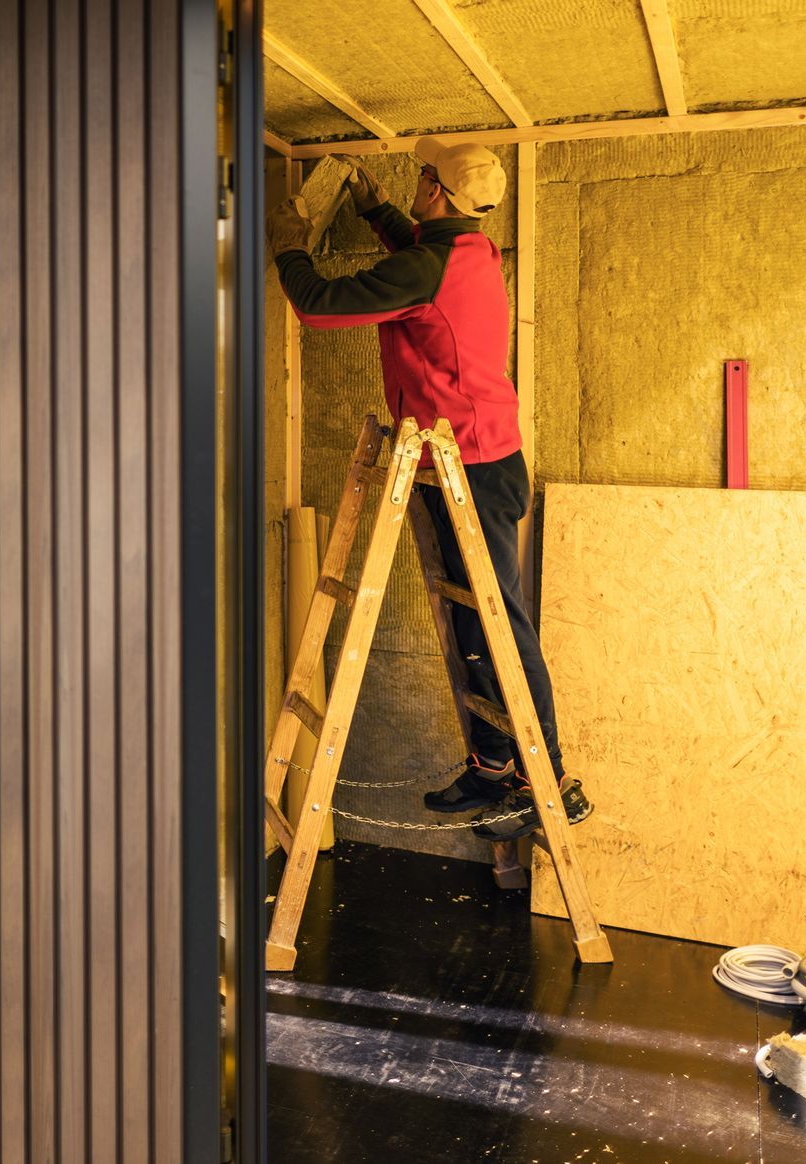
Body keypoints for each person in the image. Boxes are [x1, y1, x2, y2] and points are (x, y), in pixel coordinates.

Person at [266, 136, 592, 843]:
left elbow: (320, 306)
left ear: (436, 192)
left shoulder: (426, 266)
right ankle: (497, 764)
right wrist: (376, 208)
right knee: (479, 623)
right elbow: (420, 250)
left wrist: (288, 246)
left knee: (499, 622)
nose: (415, 185)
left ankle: (551, 782)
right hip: (475, 457)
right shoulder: (471, 251)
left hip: (465, 464)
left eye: (419, 178)